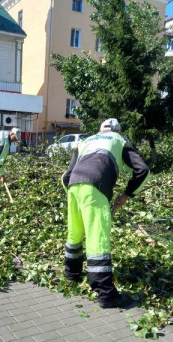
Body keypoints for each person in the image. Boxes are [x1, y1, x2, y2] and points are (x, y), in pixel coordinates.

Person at [61, 118, 150, 308]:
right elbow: (143, 170)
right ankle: (106, 295)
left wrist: (74, 192)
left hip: (73, 186)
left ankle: (72, 275)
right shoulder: (119, 140)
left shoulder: (85, 141)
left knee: (74, 233)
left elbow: (66, 175)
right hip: (95, 187)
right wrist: (127, 194)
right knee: (97, 239)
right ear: (117, 130)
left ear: (100, 130)